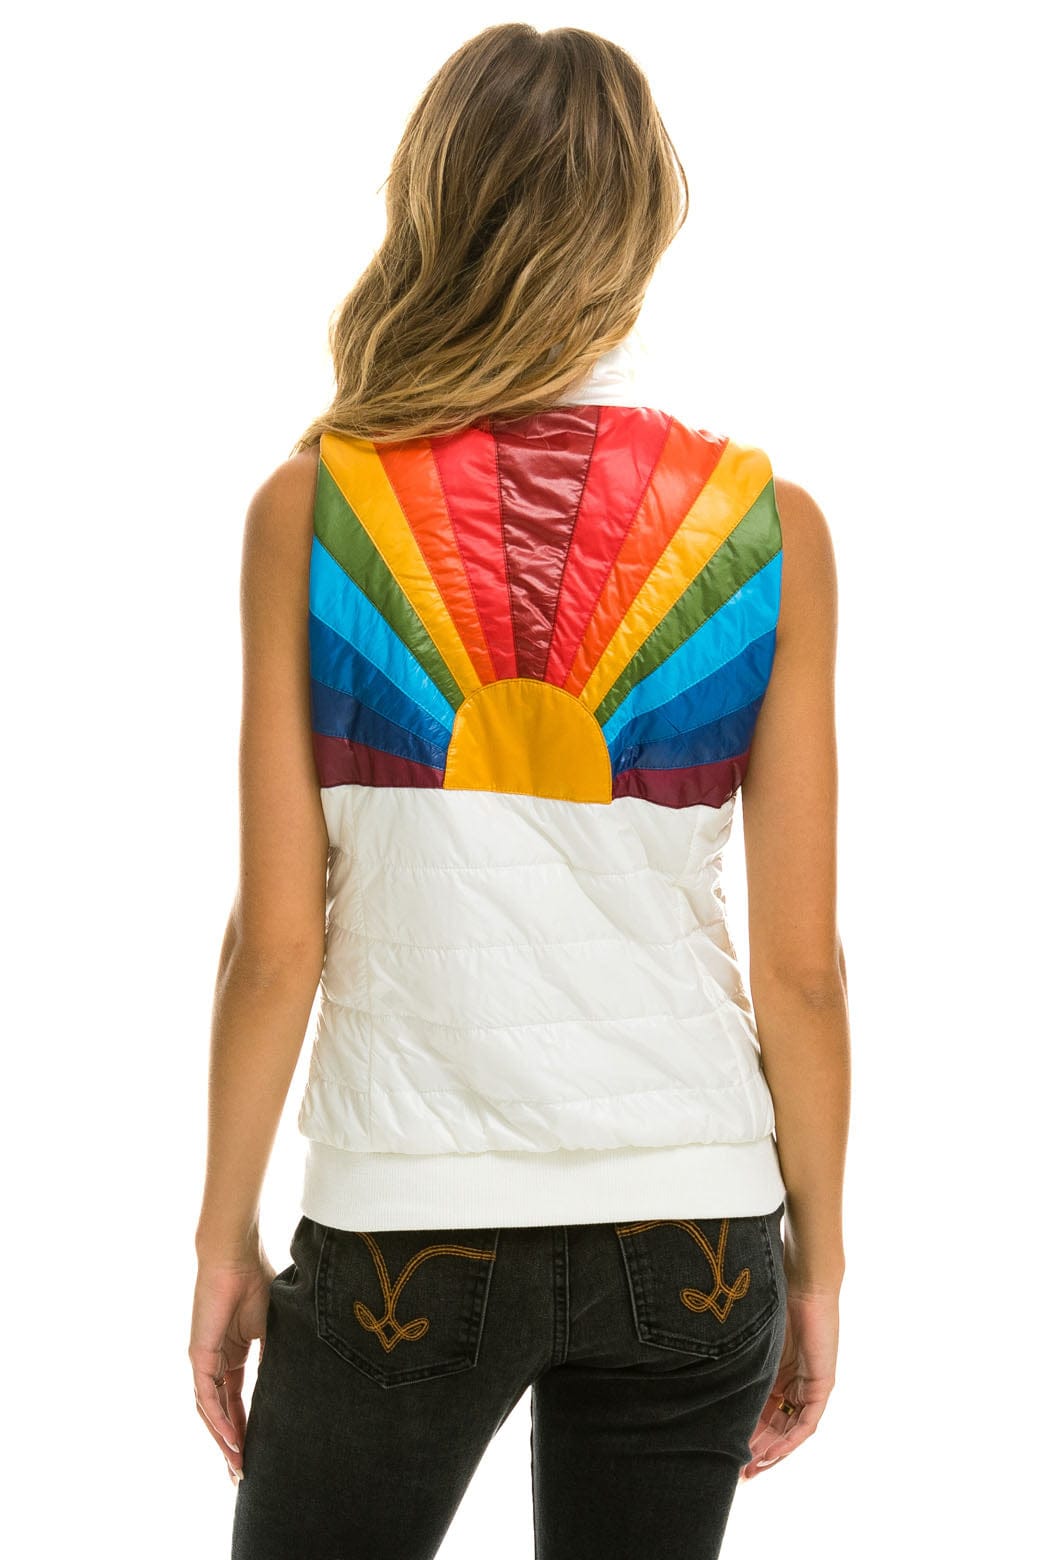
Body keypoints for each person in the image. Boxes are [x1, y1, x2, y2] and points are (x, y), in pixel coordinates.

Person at [189, 22, 849, 1560]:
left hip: (402, 1228)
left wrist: (224, 1237)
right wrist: (817, 1259)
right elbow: (804, 969)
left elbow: (277, 942)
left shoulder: (315, 512)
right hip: (696, 1223)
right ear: (642, 227)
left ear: (431, 205)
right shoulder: (767, 528)